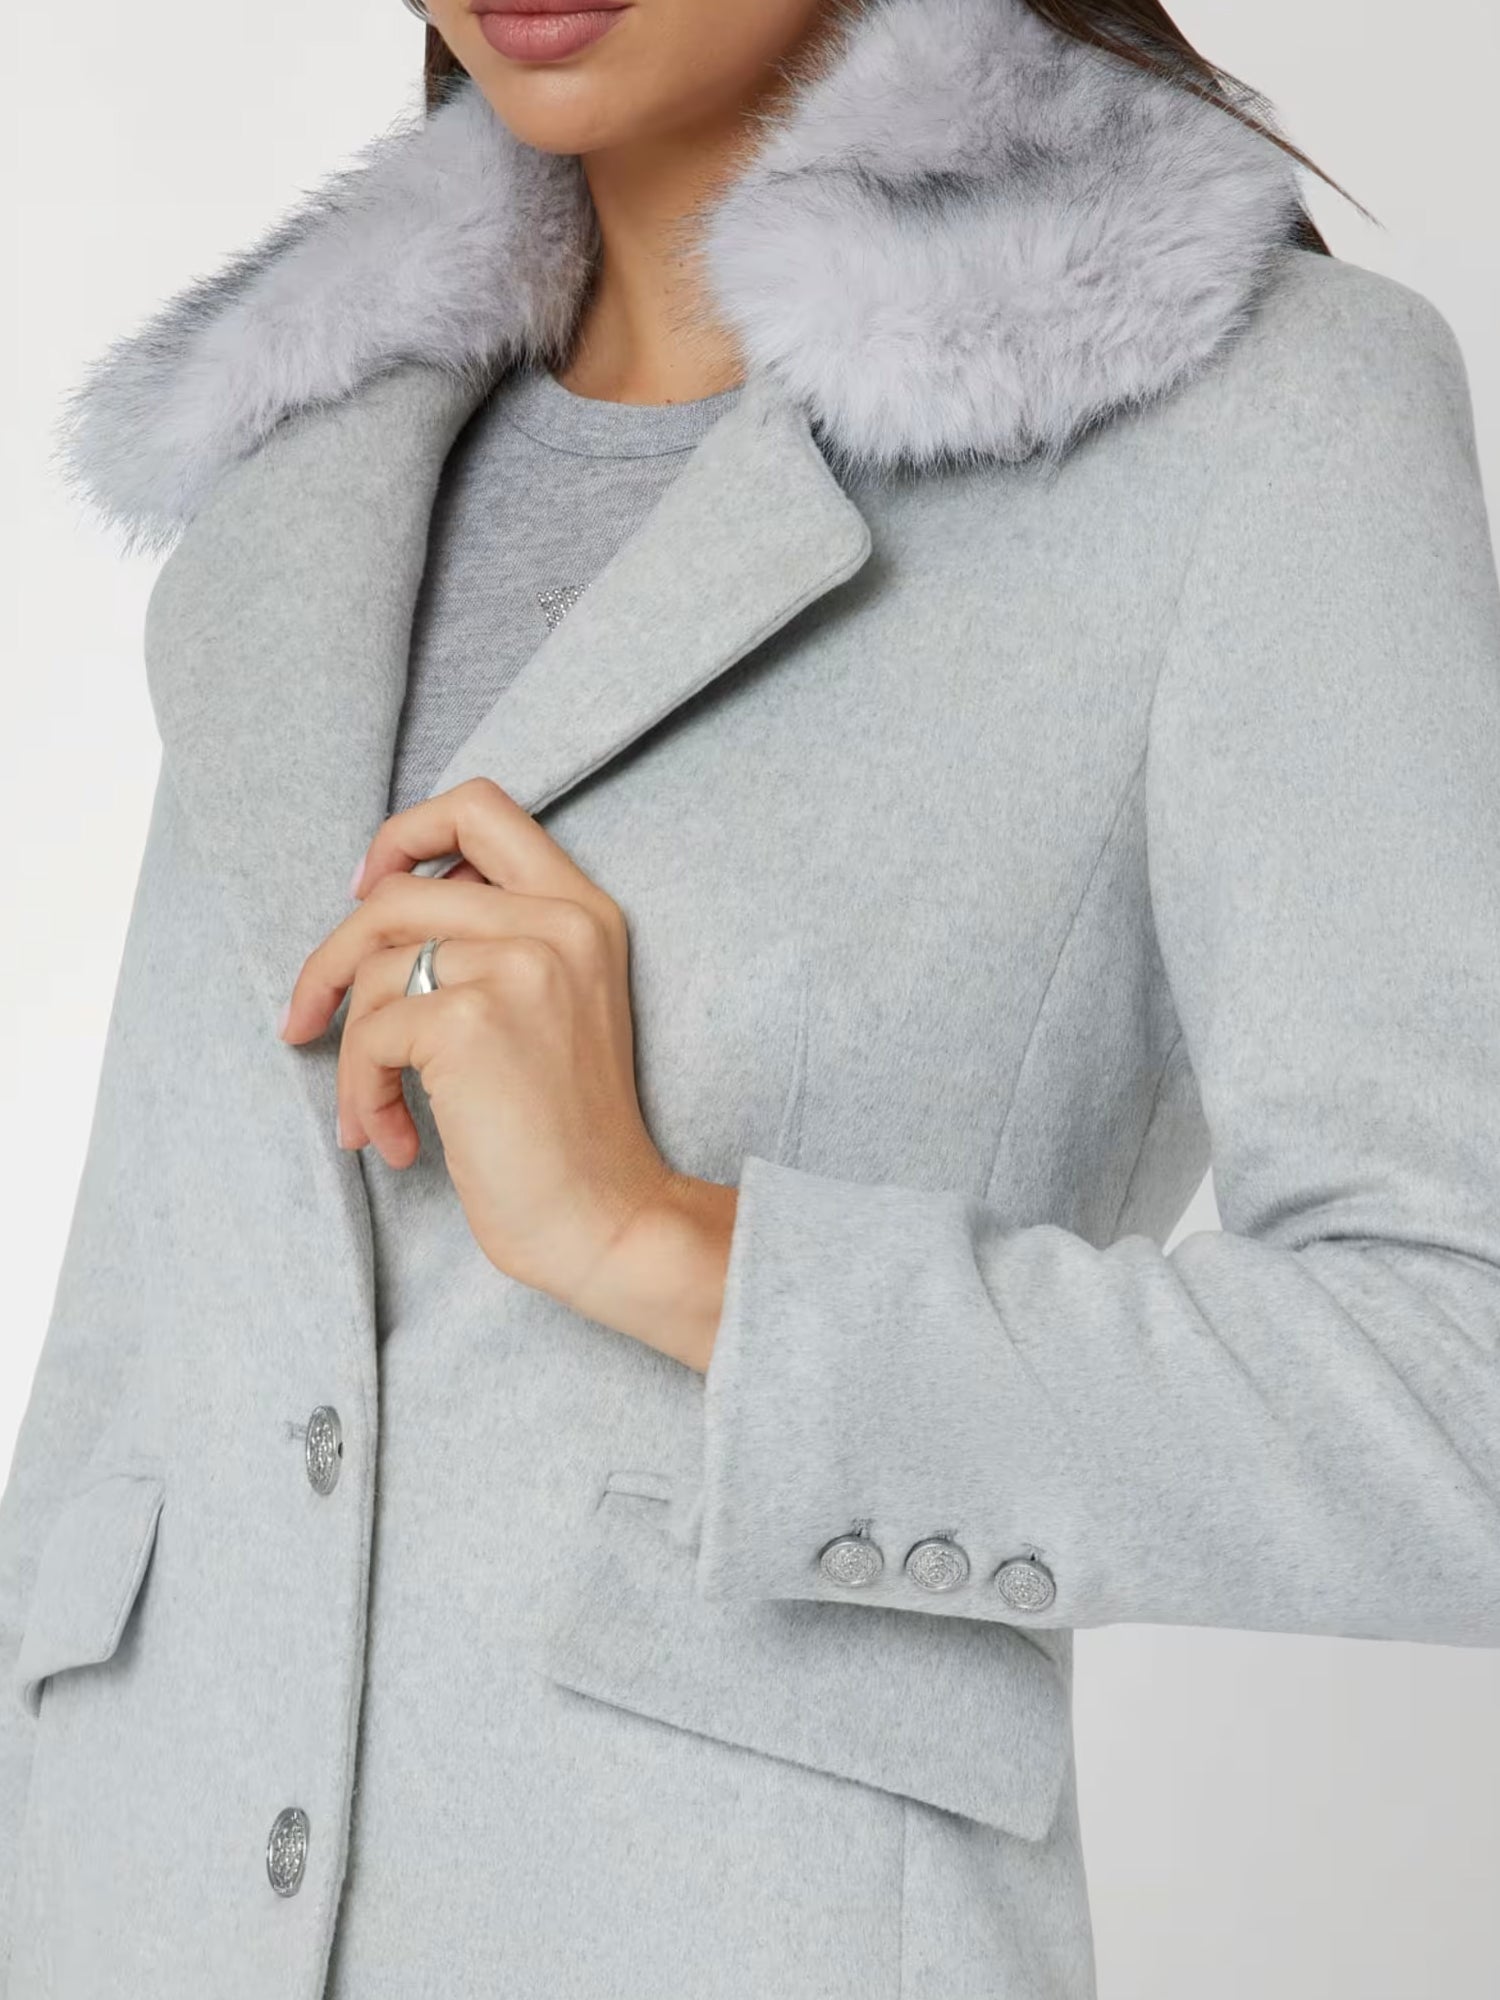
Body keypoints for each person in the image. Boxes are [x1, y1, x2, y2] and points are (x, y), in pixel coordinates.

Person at [5, 0, 1499, 1994]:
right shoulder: (305, 464)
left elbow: (1464, 1382)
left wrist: (663, 1240)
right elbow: (122, 1380)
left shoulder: (1262, 422)